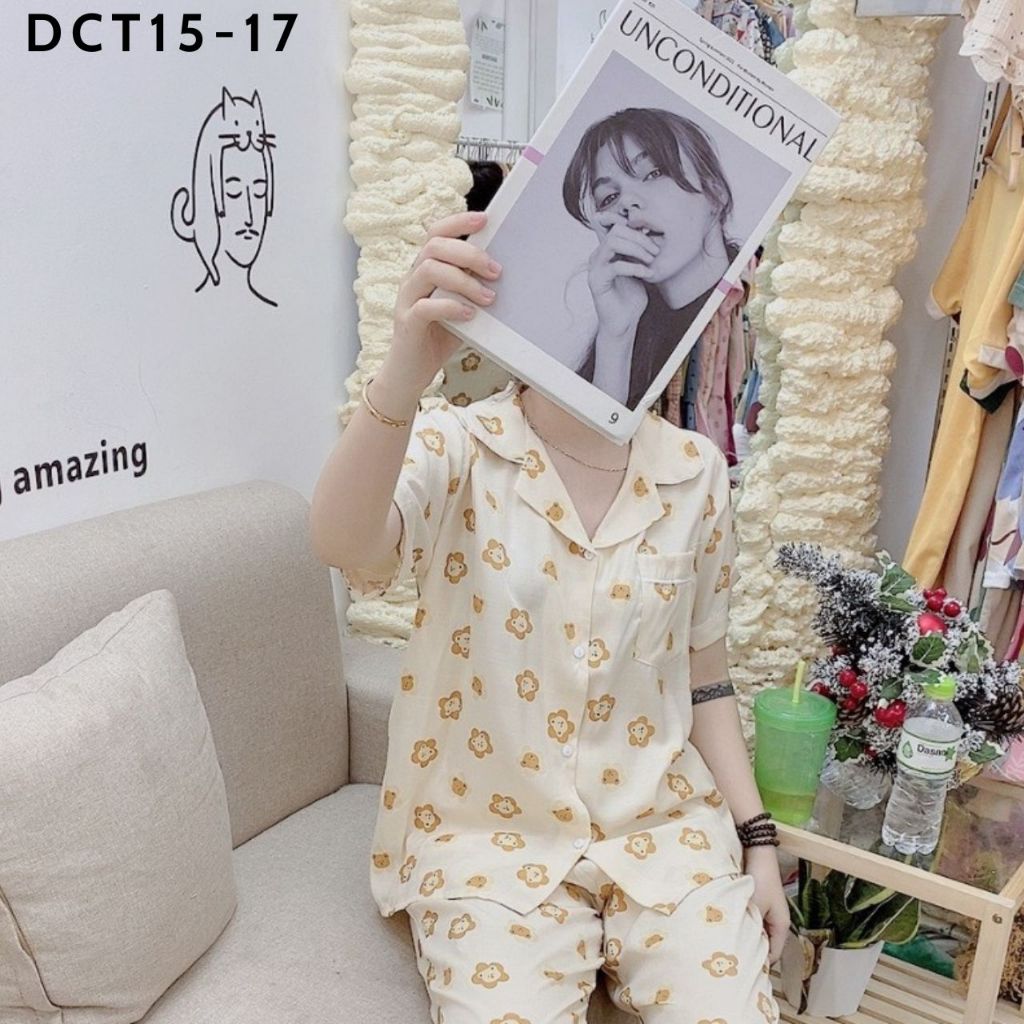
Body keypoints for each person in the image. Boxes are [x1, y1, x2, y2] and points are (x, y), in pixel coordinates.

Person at [310, 209, 787, 1023]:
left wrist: (759, 842)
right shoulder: (458, 447)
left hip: (665, 838)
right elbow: (343, 544)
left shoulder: (696, 472)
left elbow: (705, 681)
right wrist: (403, 372)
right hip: (489, 849)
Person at [562, 107, 740, 410]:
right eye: (609, 197)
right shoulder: (628, 330)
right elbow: (589, 436)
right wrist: (616, 335)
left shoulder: (759, 309)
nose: (627, 202)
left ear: (715, 192)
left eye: (654, 173)